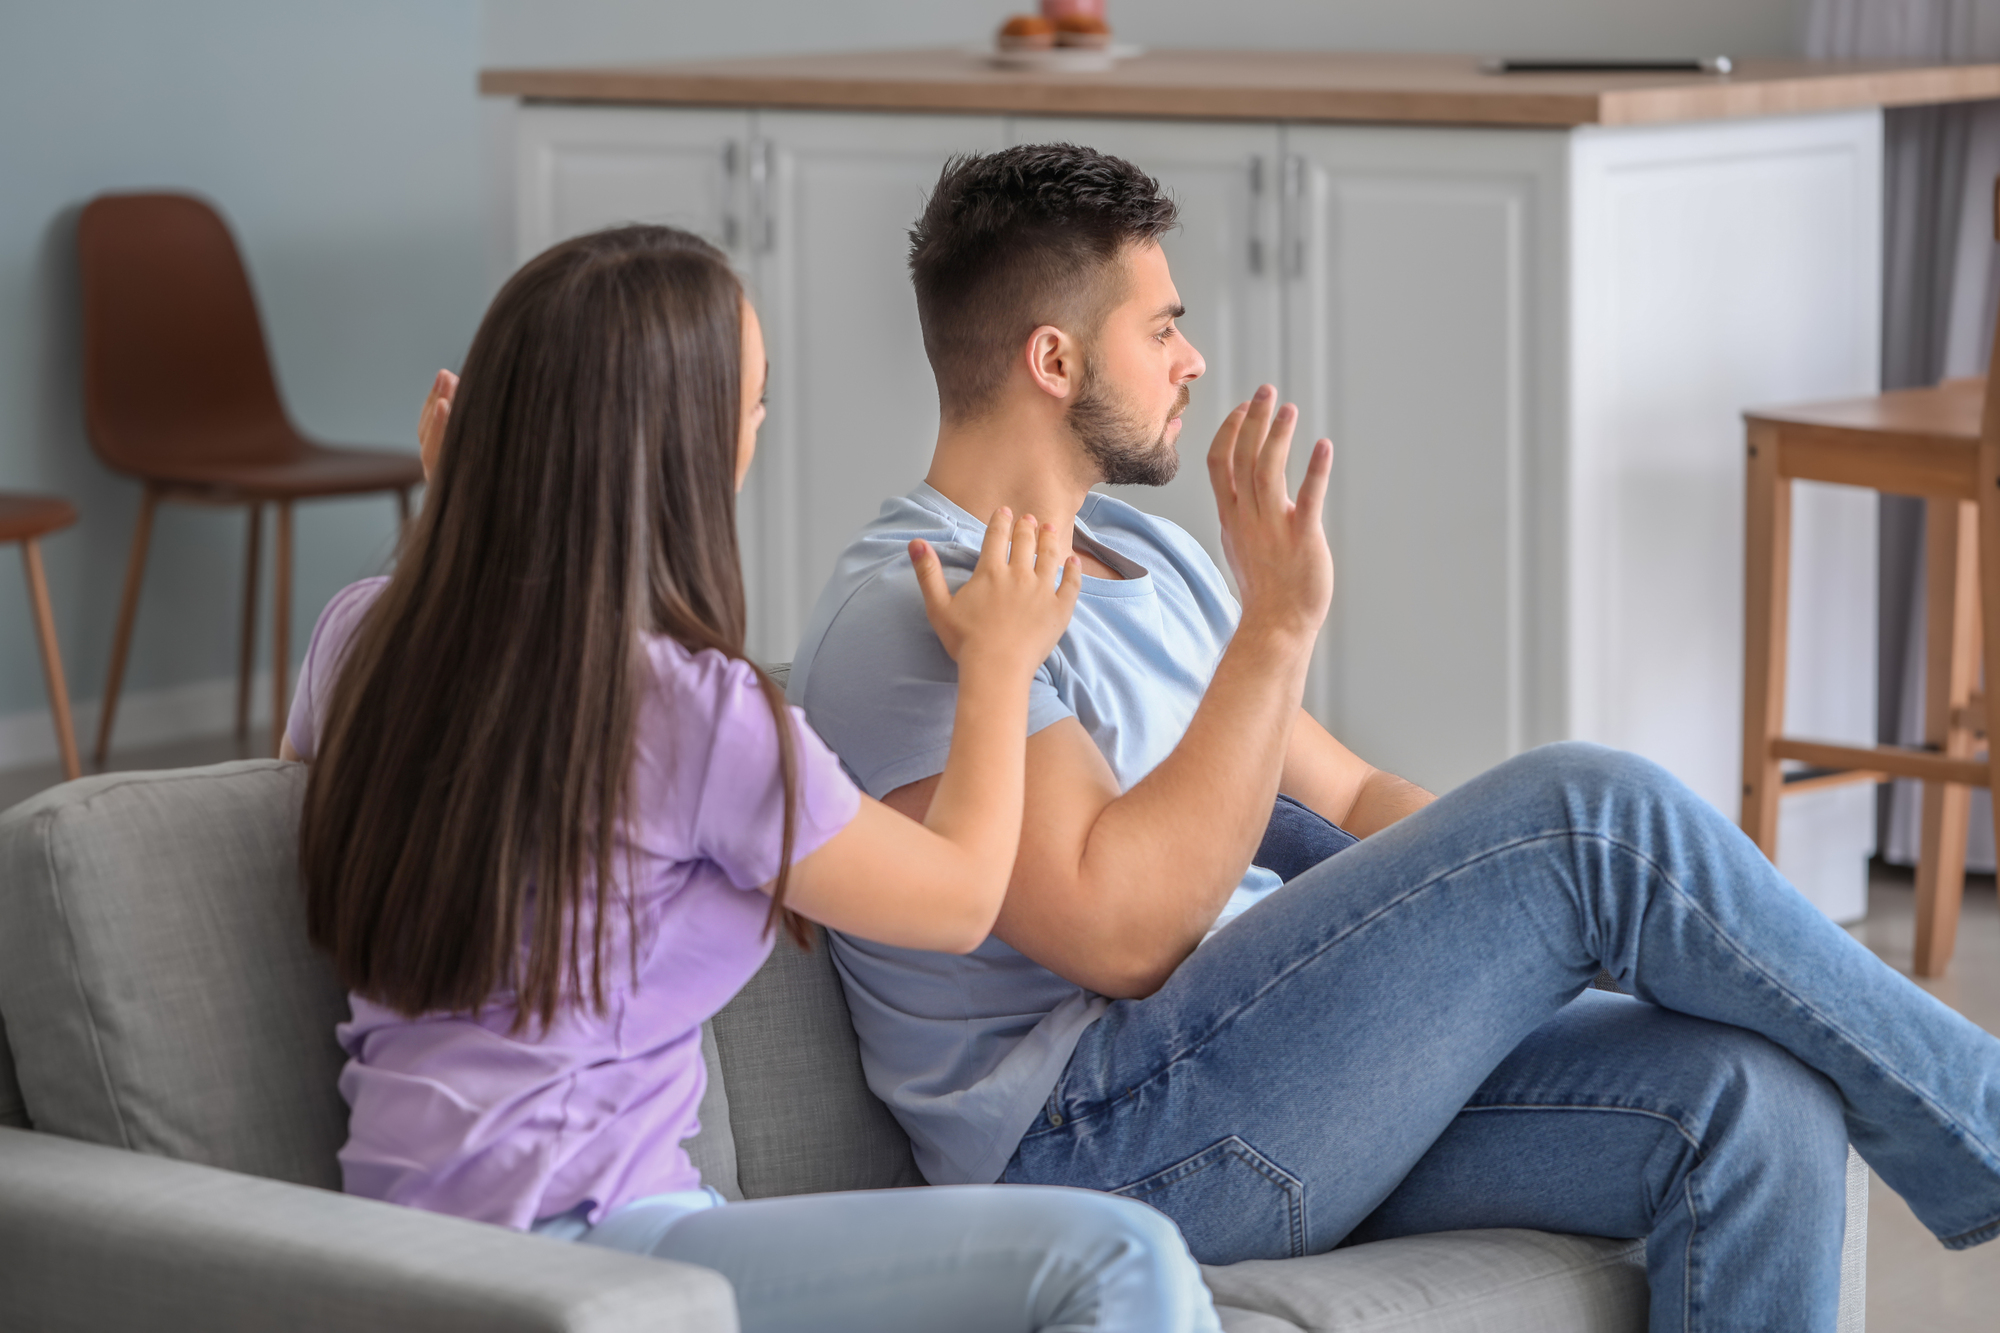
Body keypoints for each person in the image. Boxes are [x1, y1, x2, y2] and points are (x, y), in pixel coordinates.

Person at [787, 143, 2000, 1331]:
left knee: (1751, 1100)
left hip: (1271, 1072)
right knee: (1590, 810)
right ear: (1052, 359)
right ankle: (1983, 1122)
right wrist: (1276, 629)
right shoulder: (919, 610)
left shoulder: (1147, 554)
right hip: (1097, 1144)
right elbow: (1121, 931)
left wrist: (1510, 937)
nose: (1192, 358)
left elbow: (1350, 794)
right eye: (1159, 328)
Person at [282, 224, 1221, 1333]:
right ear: (686, 448)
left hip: (396, 1244)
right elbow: (963, 898)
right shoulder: (686, 712)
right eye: (754, 405)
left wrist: (456, 514)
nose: (757, 430)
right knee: (1114, 1257)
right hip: (595, 1251)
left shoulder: (362, 637)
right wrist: (999, 666)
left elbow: (432, 757)